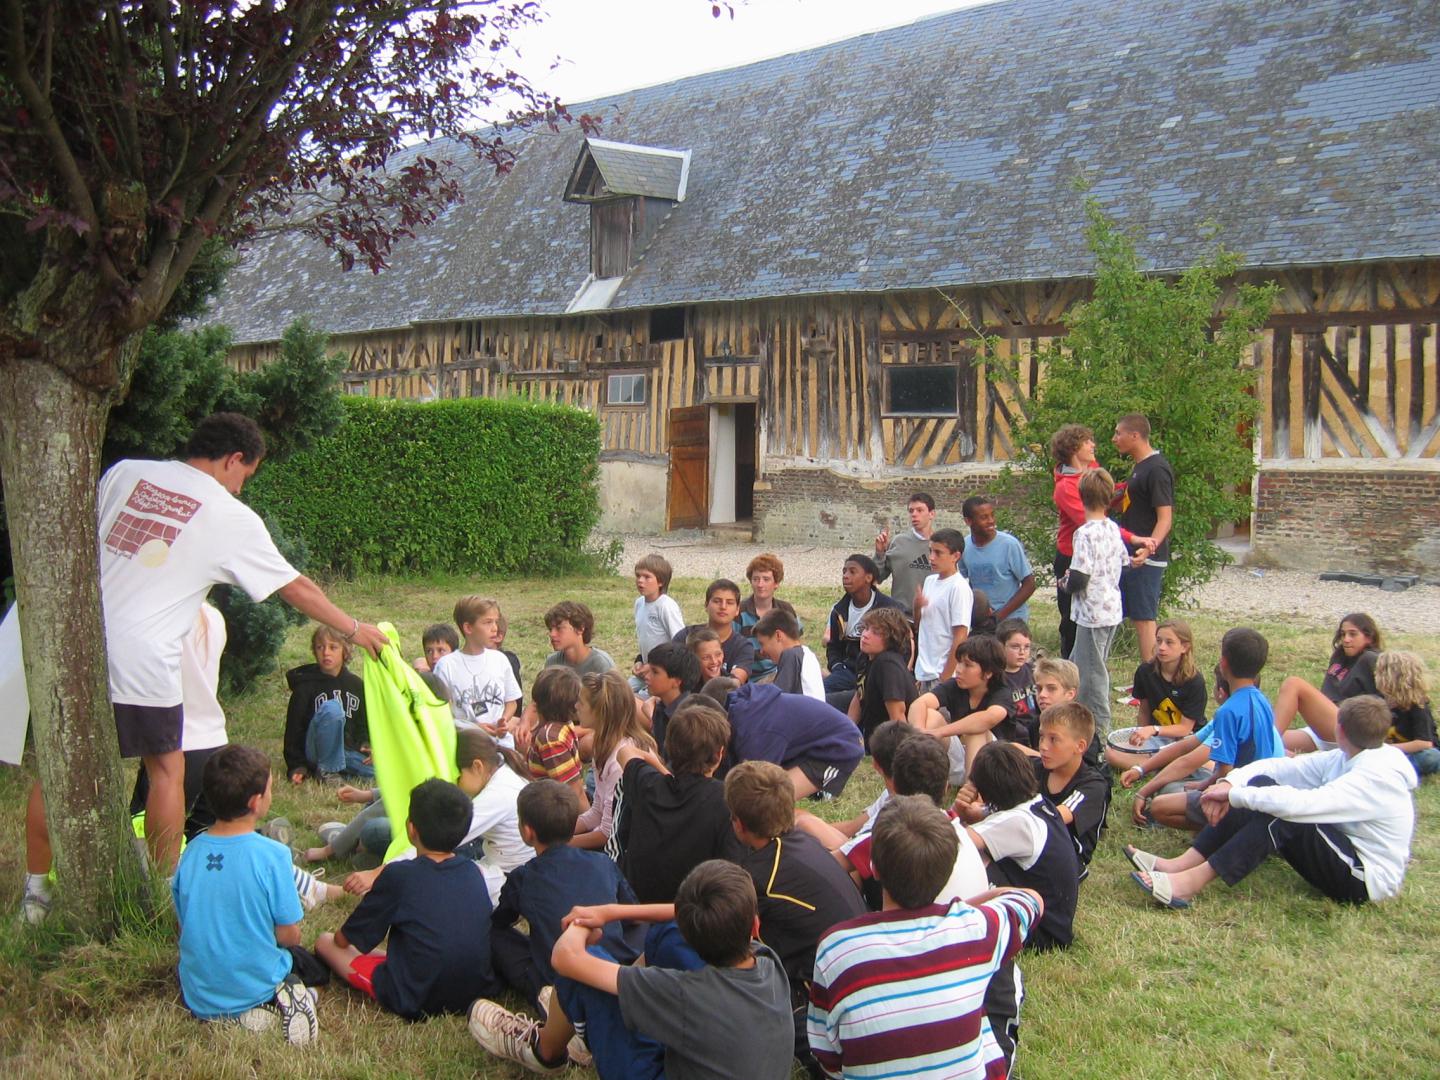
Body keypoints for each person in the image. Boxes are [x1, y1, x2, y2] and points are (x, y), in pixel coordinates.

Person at [21, 414, 388, 912]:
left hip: (71, 641)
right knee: (167, 769)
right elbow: (295, 587)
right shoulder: (226, 513)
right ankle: (165, 891)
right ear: (234, 460)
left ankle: (35, 894)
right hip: (140, 655)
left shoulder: (127, 472)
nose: (241, 488)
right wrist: (353, 629)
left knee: (56, 770)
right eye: (246, 476)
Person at [472, 860, 794, 1079]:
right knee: (665, 933)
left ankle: (543, 1051)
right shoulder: (767, 962)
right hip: (723, 1052)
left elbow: (566, 960)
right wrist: (611, 911)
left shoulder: (683, 994)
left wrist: (582, 926)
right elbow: (677, 916)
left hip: (668, 1057)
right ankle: (584, 1022)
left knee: (584, 973)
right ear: (754, 925)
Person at [807, 796, 1043, 1080]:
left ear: (874, 867)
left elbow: (827, 1059)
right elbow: (1032, 900)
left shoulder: (837, 948)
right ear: (947, 871)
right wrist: (965, 908)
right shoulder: (976, 930)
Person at [1128, 696, 1418, 909]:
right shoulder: (1347, 756)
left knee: (1285, 814)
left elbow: (1304, 806)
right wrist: (1232, 783)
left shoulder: (1375, 777)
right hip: (1341, 847)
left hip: (1365, 879)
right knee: (1262, 787)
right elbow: (1279, 768)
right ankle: (1180, 864)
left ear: (1339, 729)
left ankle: (1189, 885)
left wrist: (1233, 796)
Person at [171, 745, 321, 1044]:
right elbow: (289, 935)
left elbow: (183, 922)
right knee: (312, 963)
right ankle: (285, 996)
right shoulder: (273, 855)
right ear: (255, 802)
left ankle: (241, 1011)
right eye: (269, 790)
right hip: (255, 981)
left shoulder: (189, 853)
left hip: (198, 993)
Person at [315, 778, 500, 1018]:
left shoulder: (399, 875)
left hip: (417, 996)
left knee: (324, 941)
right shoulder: (473, 872)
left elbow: (346, 939)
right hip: (475, 991)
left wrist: (338, 940)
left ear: (411, 829)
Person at [725, 761, 866, 1074]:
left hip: (831, 1001)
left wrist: (615, 912)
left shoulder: (762, 877)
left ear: (738, 825)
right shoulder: (802, 844)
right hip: (866, 974)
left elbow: (713, 914)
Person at [489, 780, 642, 1016]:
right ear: (574, 827)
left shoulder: (524, 877)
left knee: (495, 936)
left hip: (556, 978)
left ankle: (550, 999)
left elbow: (500, 921)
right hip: (611, 965)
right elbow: (632, 913)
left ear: (527, 832)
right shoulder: (602, 862)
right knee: (639, 924)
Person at [1121, 628, 1284, 833]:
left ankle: (1224, 829)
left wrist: (1144, 793)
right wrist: (1141, 770)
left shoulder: (1229, 712)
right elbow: (1186, 746)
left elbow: (1224, 773)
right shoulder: (1262, 700)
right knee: (1177, 786)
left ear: (1223, 662)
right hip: (1263, 793)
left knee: (1160, 806)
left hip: (1239, 797)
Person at [842, 734, 990, 912]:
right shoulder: (958, 828)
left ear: (893, 786)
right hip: (969, 929)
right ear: (946, 788)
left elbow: (829, 863)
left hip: (914, 932)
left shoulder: (893, 831)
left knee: (855, 870)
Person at [612, 702, 741, 903]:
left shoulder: (647, 784)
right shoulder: (725, 799)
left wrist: (657, 765)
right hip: (694, 909)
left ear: (668, 747)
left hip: (636, 907)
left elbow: (625, 752)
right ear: (719, 754)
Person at [1050, 424, 1151, 660]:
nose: (1093, 445)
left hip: (1097, 549)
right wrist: (1134, 538)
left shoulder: (1093, 470)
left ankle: (1090, 665)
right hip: (1071, 555)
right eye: (1087, 442)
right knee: (1072, 620)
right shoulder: (1065, 487)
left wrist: (1132, 485)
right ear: (1074, 448)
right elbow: (1093, 519)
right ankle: (1070, 669)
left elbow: (1107, 496)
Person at [703, 677, 864, 801]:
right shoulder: (740, 707)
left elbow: (752, 783)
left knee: (764, 801)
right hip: (805, 741)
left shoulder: (754, 735)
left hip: (840, 746)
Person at [1061, 467, 1127, 750]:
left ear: (1081, 496)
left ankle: (1100, 733)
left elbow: (1079, 577)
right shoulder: (1112, 528)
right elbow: (1123, 561)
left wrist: (1064, 583)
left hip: (1092, 613)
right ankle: (1067, 716)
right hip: (1112, 607)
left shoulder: (1084, 533)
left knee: (1092, 675)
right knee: (1075, 666)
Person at [909, 634, 1025, 783]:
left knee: (975, 732)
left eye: (967, 665)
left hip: (996, 766)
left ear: (988, 672)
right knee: (930, 715)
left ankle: (972, 792)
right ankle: (922, 780)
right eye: (959, 663)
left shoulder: (1002, 692)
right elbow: (919, 703)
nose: (958, 669)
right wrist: (920, 733)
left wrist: (939, 732)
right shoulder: (954, 685)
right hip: (961, 760)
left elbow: (987, 719)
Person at [1105, 617, 1207, 773]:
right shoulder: (1145, 672)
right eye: (1158, 641)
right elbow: (1144, 711)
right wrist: (1141, 736)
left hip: (1189, 740)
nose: (1162, 647)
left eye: (1169, 642)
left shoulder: (1194, 681)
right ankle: (1167, 765)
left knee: (1210, 762)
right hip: (1156, 739)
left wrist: (1153, 729)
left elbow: (1185, 729)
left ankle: (1157, 765)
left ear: (1184, 647)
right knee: (1110, 753)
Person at [1112, 413, 1174, 663]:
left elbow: (1165, 518)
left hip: (1147, 556)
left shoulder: (1157, 469)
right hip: (1133, 553)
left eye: (1119, 433)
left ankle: (1151, 678)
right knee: (1135, 615)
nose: (1114, 438)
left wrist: (1149, 549)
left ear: (1135, 435)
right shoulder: (1140, 466)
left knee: (1144, 617)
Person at [573, 670, 658, 850]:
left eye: (581, 702)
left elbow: (608, 832)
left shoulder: (621, 758)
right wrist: (560, 833)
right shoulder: (603, 745)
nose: (576, 706)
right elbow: (597, 812)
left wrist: (560, 845)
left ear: (599, 711)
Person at [1275, 613, 1382, 754]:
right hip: (1325, 728)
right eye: (1343, 634)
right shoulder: (1340, 655)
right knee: (1261, 740)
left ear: (1369, 637)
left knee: (1293, 684)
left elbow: (1387, 702)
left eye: (1353, 634)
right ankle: (1274, 748)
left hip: (1350, 727)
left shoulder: (1373, 659)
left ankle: (1268, 747)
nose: (1346, 640)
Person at [282, 624, 369, 785]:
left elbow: (364, 724)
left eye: (333, 647)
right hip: (317, 750)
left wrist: (367, 744)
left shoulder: (356, 685)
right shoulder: (305, 687)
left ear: (345, 650)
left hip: (347, 751)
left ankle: (340, 771)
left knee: (382, 773)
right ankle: (328, 770)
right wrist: (297, 766)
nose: (326, 652)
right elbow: (294, 730)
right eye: (320, 647)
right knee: (333, 708)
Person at [431, 595, 522, 741]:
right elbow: (440, 715)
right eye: (487, 622)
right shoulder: (446, 666)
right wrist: (473, 728)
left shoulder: (500, 660)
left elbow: (511, 701)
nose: (495, 628)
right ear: (468, 627)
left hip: (501, 745)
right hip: (467, 746)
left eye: (495, 622)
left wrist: (503, 720)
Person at [1034, 702, 1110, 870]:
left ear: (1080, 746)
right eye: (1041, 737)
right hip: (1029, 845)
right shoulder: (1034, 768)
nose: (1043, 746)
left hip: (1067, 861)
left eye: (1053, 739)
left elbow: (1054, 818)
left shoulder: (1093, 786)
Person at [822, 553, 899, 699]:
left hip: (880, 671)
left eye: (852, 571)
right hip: (848, 671)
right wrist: (837, 666)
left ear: (868, 578)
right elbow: (834, 647)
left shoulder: (888, 608)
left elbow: (901, 644)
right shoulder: (839, 610)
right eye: (844, 571)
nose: (845, 576)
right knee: (820, 694)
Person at [520, 666, 591, 814]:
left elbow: (572, 791)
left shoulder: (551, 739)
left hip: (552, 812)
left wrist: (587, 822)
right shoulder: (564, 725)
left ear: (538, 703)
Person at [846, 607, 917, 751]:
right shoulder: (865, 656)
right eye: (865, 628)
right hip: (871, 734)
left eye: (875, 632)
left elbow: (898, 715)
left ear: (891, 638)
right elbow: (859, 695)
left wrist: (903, 754)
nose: (865, 635)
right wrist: (846, 730)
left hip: (891, 740)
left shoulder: (888, 665)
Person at [912, 528, 973, 691]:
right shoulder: (930, 581)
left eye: (938, 553)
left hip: (941, 674)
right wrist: (917, 606)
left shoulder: (958, 587)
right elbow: (919, 625)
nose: (931, 557)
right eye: (930, 551)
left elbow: (960, 635)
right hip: (924, 671)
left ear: (956, 556)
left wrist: (946, 675)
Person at [960, 495, 1036, 624]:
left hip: (1011, 620)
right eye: (984, 517)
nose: (991, 521)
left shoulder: (1009, 544)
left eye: (992, 515)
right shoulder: (964, 546)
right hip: (981, 621)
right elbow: (965, 583)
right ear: (968, 521)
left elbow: (1029, 584)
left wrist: (998, 616)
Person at [672, 579, 756, 684]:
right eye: (717, 601)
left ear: (737, 610)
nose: (723, 607)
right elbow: (668, 673)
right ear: (706, 605)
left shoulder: (743, 646)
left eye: (729, 603)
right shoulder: (685, 636)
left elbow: (735, 683)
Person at [1375, 651, 1439, 778]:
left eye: (1379, 671)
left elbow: (1424, 743)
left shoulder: (1417, 706)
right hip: (1391, 753)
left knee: (1431, 757)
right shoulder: (1379, 702)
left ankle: (1397, 771)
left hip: (1415, 753)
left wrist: (1389, 749)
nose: (1375, 675)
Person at [873, 491, 938, 617]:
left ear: (932, 514)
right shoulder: (898, 542)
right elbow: (877, 578)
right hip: (902, 617)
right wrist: (880, 553)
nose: (914, 514)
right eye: (911, 511)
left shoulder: (941, 545)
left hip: (933, 616)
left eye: (920, 510)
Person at [738, 553, 800, 681]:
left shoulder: (785, 610)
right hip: (750, 676)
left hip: (782, 671)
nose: (760, 584)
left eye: (766, 579)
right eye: (756, 579)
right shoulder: (740, 611)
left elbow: (797, 644)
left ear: (776, 583)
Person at [631, 553, 686, 695]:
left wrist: (654, 666)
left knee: (634, 702)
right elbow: (647, 639)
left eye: (647, 577)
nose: (640, 581)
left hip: (663, 672)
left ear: (660, 581)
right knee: (619, 694)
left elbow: (679, 642)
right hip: (645, 670)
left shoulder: (666, 606)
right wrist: (639, 661)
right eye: (638, 576)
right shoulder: (639, 603)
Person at [641, 642, 702, 760]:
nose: (646, 676)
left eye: (655, 672)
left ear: (677, 681)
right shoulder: (661, 708)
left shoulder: (688, 720)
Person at [755, 609, 824, 700]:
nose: (761, 651)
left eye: (762, 643)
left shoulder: (791, 655)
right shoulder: (805, 655)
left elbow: (776, 700)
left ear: (778, 635)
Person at [997, 619, 1040, 747]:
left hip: (1037, 726)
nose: (1022, 652)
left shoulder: (1033, 671)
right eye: (1015, 647)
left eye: (1027, 647)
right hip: (1013, 732)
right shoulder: (997, 678)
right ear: (1000, 646)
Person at [544, 601, 615, 676]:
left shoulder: (601, 664)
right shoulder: (552, 663)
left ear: (580, 629)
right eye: (550, 629)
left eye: (559, 628)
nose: (552, 634)